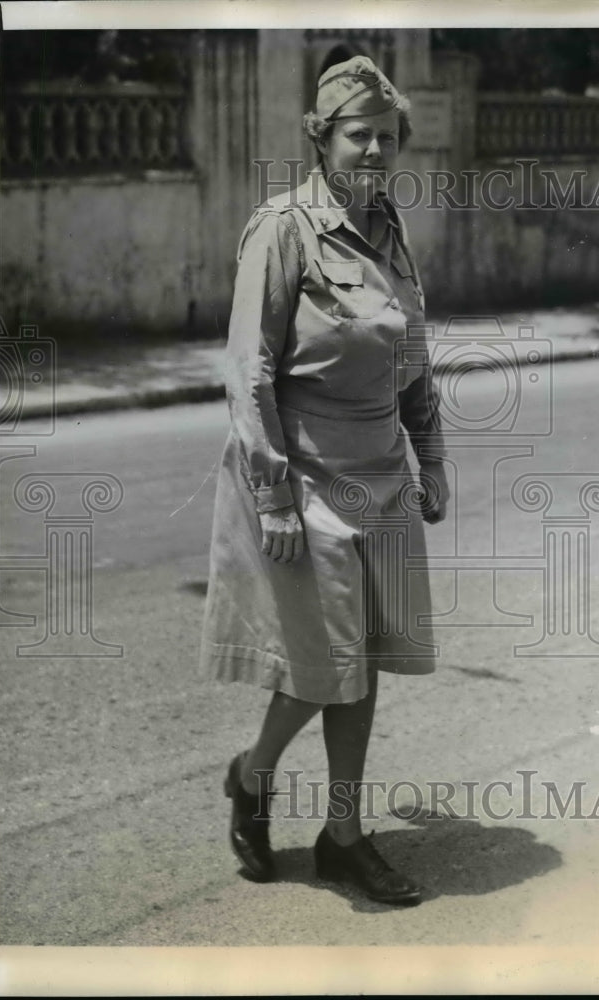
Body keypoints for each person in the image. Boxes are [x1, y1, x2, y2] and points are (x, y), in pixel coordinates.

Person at [199, 55, 449, 906]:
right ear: (320, 138)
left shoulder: (389, 228)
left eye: (386, 137)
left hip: (380, 471)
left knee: (361, 659)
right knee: (324, 663)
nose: (374, 151)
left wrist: (432, 456)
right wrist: (271, 494)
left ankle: (342, 835)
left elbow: (410, 354)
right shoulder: (282, 229)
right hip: (302, 472)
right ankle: (253, 775)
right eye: (357, 136)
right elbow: (250, 371)